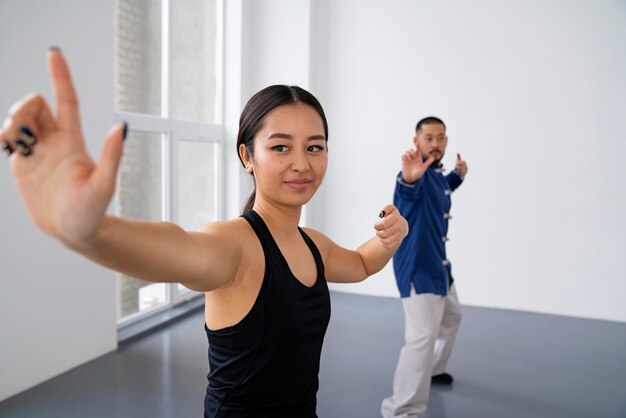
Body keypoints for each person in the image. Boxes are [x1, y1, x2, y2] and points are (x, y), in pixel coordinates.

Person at [0, 48, 408, 418]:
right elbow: (180, 249)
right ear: (247, 156)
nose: (302, 163)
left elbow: (359, 263)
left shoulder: (313, 244)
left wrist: (392, 235)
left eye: (314, 147)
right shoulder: (235, 244)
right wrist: (93, 232)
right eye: (281, 147)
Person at [381, 116, 468, 418]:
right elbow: (405, 195)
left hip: (440, 268)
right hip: (419, 269)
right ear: (416, 142)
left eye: (441, 137)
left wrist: (458, 176)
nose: (435, 143)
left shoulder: (435, 175)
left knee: (452, 318)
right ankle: (400, 409)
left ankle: (433, 370)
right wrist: (407, 179)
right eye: (429, 137)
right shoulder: (413, 176)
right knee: (421, 338)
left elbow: (443, 189)